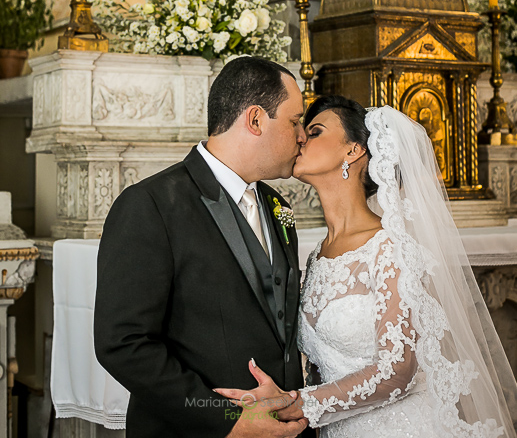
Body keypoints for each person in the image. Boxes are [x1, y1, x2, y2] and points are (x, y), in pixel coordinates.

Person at [216, 96, 517, 437]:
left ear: (353, 151)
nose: (300, 137)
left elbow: (398, 370)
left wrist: (296, 403)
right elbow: (320, 364)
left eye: (314, 131)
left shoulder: (389, 247)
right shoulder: (317, 254)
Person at [94, 56, 314, 438]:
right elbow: (123, 343)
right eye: (295, 121)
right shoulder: (150, 205)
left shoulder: (279, 207)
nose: (302, 136)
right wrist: (227, 420)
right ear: (256, 119)